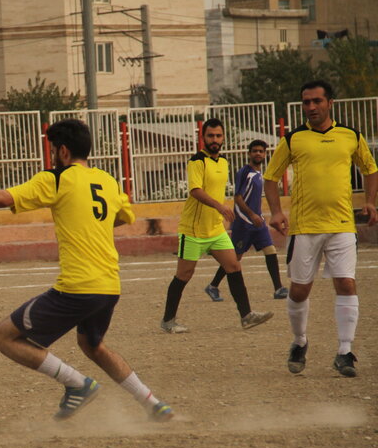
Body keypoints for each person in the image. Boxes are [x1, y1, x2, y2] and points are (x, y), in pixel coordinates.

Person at [0, 119, 173, 422]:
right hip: (109, 285)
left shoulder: (57, 179)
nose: (51, 156)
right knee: (93, 345)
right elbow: (123, 217)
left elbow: (3, 198)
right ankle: (153, 404)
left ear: (63, 151)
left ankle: (78, 384)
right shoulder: (107, 179)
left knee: (3, 336)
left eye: (52, 150)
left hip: (78, 286)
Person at [264, 79, 378, 377]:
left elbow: (370, 169)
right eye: (306, 102)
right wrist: (276, 212)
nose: (311, 107)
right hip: (304, 227)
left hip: (342, 224)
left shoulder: (351, 135)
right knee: (300, 290)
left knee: (346, 284)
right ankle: (300, 342)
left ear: (330, 103)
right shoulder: (294, 138)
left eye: (317, 101)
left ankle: (344, 351)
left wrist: (370, 202)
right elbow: (270, 177)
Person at [160, 118, 273, 333]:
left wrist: (221, 213)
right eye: (210, 136)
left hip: (215, 230)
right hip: (193, 230)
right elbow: (195, 190)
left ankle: (247, 315)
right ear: (203, 138)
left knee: (233, 266)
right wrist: (219, 207)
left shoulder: (223, 163)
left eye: (218, 136)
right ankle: (168, 320)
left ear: (223, 138)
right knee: (184, 275)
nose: (215, 140)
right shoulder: (197, 161)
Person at [203, 140, 288, 302]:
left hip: (258, 222)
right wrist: (251, 215)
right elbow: (238, 198)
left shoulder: (259, 175)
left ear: (265, 154)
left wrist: (258, 216)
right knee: (235, 258)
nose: (258, 153)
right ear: (249, 153)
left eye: (261, 151)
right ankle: (213, 286)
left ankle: (278, 288)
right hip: (244, 223)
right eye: (255, 151)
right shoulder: (244, 172)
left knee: (270, 250)